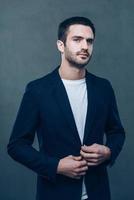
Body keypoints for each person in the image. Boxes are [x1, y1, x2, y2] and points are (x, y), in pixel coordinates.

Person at [7, 16, 125, 200]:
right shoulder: (38, 90)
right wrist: (55, 166)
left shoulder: (103, 88)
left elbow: (117, 132)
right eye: (77, 39)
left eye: (89, 41)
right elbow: (16, 145)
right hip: (55, 193)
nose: (85, 46)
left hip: (98, 193)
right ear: (60, 45)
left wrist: (109, 152)